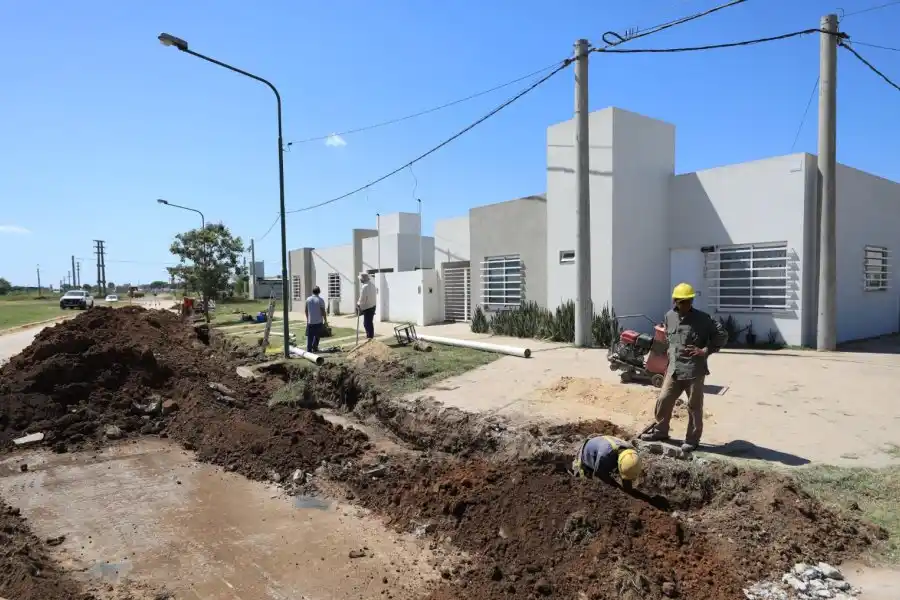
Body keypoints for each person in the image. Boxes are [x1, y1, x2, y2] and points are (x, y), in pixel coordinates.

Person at [641, 282, 728, 452]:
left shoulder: (702, 319)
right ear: (675, 301)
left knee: (694, 406)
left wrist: (705, 350)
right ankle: (660, 431)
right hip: (674, 369)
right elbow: (668, 339)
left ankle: (692, 439)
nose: (686, 304)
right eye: (682, 301)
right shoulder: (669, 317)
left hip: (694, 371)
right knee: (664, 400)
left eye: (689, 301)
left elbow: (722, 334)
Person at [572, 435, 642, 490]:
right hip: (587, 453)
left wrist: (628, 490)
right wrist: (617, 488)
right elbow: (599, 475)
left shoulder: (632, 454)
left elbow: (628, 472)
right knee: (586, 484)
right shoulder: (605, 456)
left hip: (603, 443)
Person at [304, 286, 328, 352]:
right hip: (318, 321)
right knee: (317, 336)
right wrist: (325, 321)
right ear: (319, 292)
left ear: (312, 291)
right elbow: (323, 311)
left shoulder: (308, 299)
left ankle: (309, 350)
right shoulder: (320, 300)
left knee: (310, 337)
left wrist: (308, 319)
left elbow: (306, 310)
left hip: (310, 321)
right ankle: (315, 347)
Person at [357, 272, 377, 340]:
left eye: (360, 279)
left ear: (363, 279)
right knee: (369, 322)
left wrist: (359, 304)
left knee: (367, 323)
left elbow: (362, 298)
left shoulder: (364, 287)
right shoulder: (372, 285)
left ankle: (370, 337)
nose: (360, 280)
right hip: (373, 306)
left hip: (368, 307)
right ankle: (370, 337)